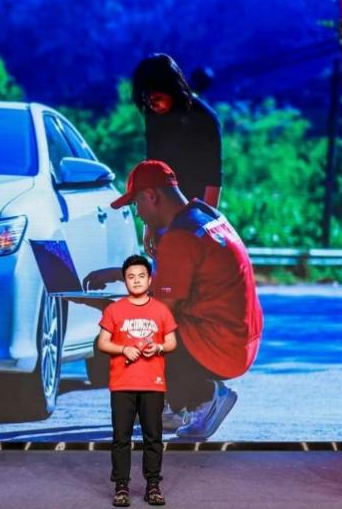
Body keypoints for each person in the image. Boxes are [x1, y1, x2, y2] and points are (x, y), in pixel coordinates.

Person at [91, 160, 263, 440]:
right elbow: (176, 276)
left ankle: (205, 397)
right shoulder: (204, 215)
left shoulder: (179, 237)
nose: (138, 214)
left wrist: (105, 308)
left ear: (151, 196)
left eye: (136, 204)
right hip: (240, 340)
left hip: (221, 348)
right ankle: (176, 408)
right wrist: (121, 274)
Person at [96, 255, 178, 507]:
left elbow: (172, 342)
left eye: (141, 276)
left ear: (150, 279)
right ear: (125, 281)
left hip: (153, 384)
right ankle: (121, 486)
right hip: (122, 385)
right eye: (131, 277)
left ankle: (153, 486)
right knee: (121, 438)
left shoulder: (161, 310)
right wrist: (123, 349)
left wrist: (159, 347)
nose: (136, 281)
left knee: (153, 437)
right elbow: (102, 342)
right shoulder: (114, 310)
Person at [132, 53, 223, 255]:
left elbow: (214, 178)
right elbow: (152, 169)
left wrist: (206, 227)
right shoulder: (153, 117)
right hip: (163, 215)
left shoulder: (205, 118)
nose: (152, 105)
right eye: (146, 100)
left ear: (171, 89)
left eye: (156, 98)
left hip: (197, 213)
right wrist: (149, 225)